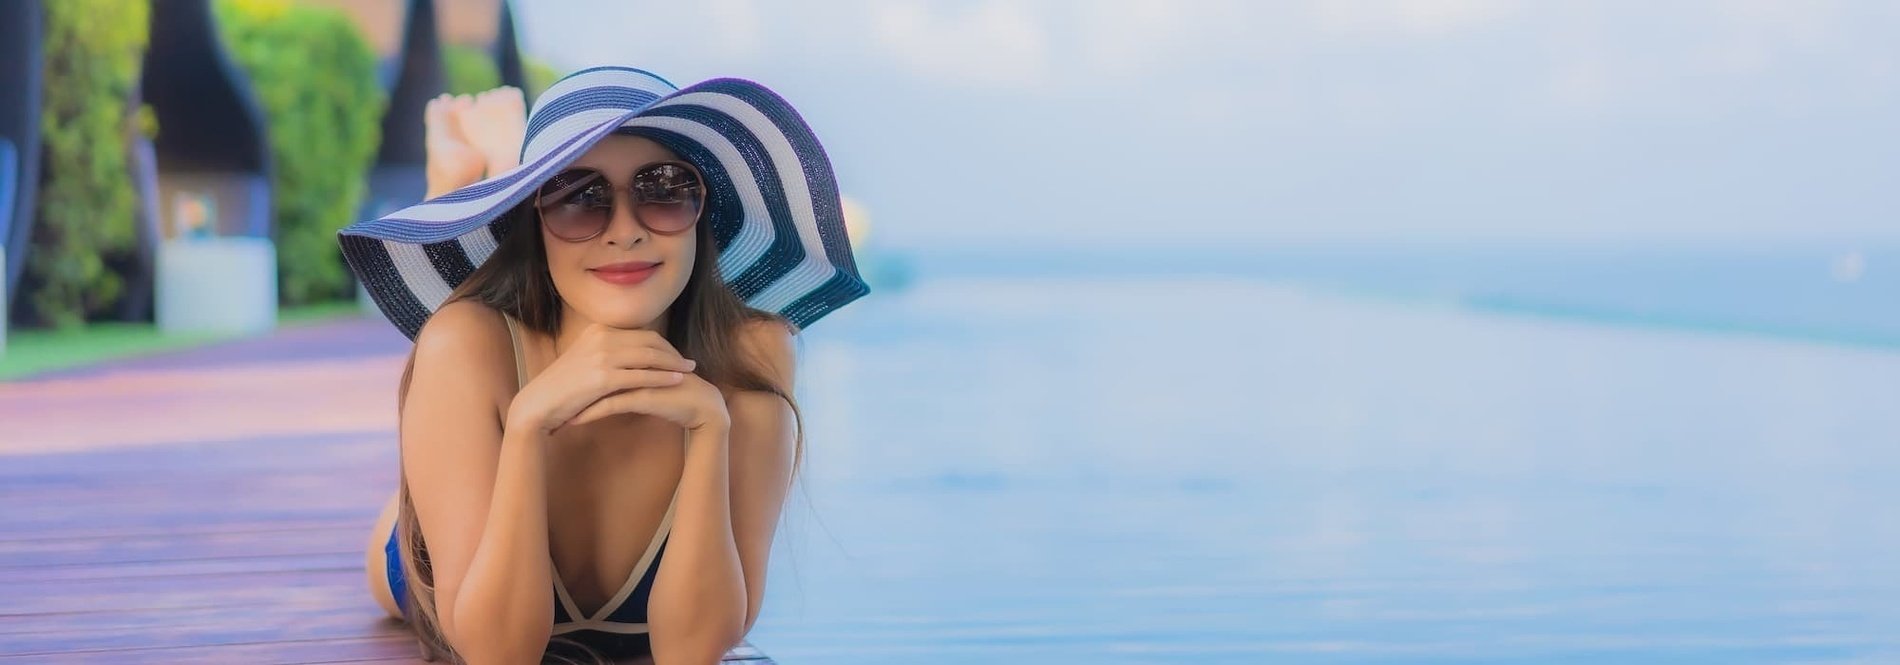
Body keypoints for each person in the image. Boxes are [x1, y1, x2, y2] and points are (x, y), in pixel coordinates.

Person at [343, 67, 871, 664]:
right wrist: (523, 428)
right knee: (451, 370)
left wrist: (709, 431)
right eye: (576, 199)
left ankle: (511, 176)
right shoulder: (462, 343)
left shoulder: (753, 352)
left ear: (704, 213)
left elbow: (694, 654)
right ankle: (474, 185)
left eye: (664, 190)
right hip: (440, 556)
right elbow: (497, 654)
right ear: (533, 230)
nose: (625, 233)